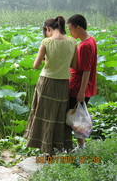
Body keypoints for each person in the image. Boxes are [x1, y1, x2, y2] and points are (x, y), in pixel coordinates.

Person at [24, 16, 78, 157]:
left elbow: (35, 65)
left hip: (46, 82)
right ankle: (60, 146)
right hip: (62, 84)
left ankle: (47, 151)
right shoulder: (73, 42)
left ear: (48, 29)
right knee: (58, 115)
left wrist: (46, 59)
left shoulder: (46, 42)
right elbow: (74, 65)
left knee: (44, 113)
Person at [67, 14, 97, 149]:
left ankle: (80, 147)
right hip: (86, 86)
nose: (69, 32)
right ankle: (80, 146)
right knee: (77, 116)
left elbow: (86, 70)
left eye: (71, 29)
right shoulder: (91, 40)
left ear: (78, 27)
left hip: (79, 86)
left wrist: (81, 92)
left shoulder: (85, 45)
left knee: (76, 118)